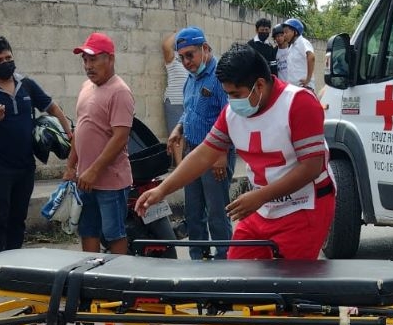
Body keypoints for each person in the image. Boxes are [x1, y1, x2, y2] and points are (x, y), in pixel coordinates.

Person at [135, 44, 334, 262]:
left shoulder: (299, 103)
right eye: (227, 94)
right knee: (237, 274)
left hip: (304, 207)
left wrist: (261, 196)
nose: (231, 101)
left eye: (235, 94)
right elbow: (204, 154)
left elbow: (312, 166)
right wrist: (162, 190)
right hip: (263, 207)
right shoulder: (232, 113)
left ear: (259, 85)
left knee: (289, 285)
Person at [0, 36, 72, 257]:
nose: (5, 62)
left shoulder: (26, 85)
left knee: (17, 218)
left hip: (24, 167)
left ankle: (14, 265)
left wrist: (69, 132)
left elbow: (52, 107)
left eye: (8, 57)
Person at [165, 26, 233, 260]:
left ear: (205, 49)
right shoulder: (191, 80)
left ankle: (224, 259)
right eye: (181, 57)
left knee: (217, 212)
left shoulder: (219, 78)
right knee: (193, 211)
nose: (185, 62)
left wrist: (221, 154)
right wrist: (178, 128)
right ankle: (198, 258)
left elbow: (230, 116)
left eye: (190, 55)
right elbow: (190, 110)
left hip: (215, 155)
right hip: (192, 151)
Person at [64, 32, 134, 255]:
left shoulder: (120, 91)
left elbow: (120, 137)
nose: (88, 65)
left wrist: (94, 171)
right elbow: (80, 130)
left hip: (110, 182)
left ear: (110, 59)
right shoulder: (86, 87)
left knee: (114, 234)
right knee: (88, 231)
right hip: (85, 179)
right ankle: (92, 283)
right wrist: (70, 166)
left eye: (93, 59)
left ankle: (117, 282)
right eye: (85, 60)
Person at [160, 31, 189, 141]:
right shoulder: (173, 57)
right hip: (174, 102)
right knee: (176, 138)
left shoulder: (190, 59)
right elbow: (166, 45)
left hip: (189, 102)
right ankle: (178, 159)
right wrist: (181, 32)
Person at [274, 18, 315, 90]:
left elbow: (311, 57)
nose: (284, 35)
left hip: (304, 87)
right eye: (283, 33)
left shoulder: (302, 42)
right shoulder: (292, 46)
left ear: (295, 32)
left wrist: (308, 79)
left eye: (286, 32)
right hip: (294, 87)